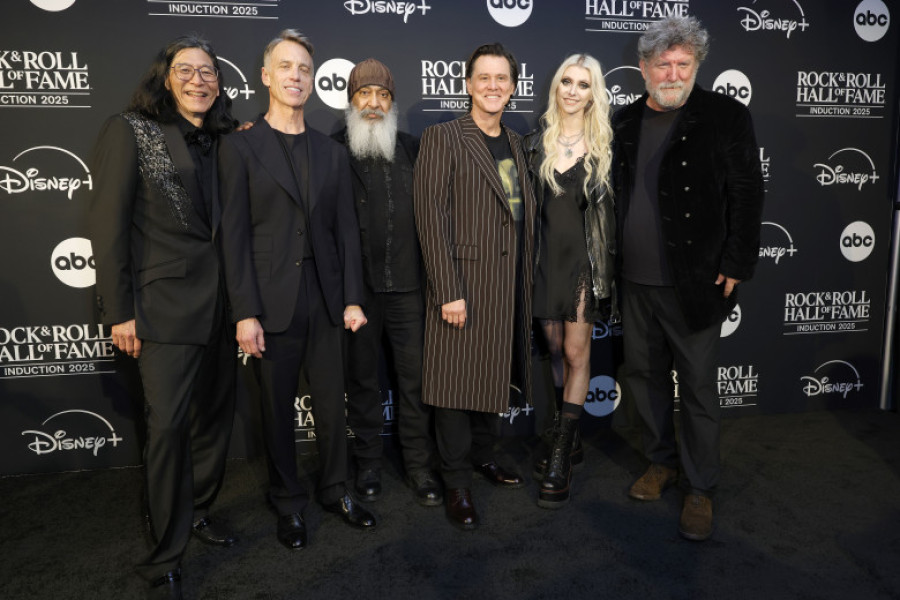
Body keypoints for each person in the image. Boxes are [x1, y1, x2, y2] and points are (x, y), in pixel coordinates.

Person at [88, 35, 238, 600]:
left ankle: (199, 511)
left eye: (208, 72)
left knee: (214, 423)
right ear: (164, 77)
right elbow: (107, 229)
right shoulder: (130, 131)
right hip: (162, 310)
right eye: (186, 70)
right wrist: (120, 312)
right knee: (170, 429)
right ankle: (164, 556)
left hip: (222, 309)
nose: (199, 79)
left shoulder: (226, 140)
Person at [217, 29, 375, 552]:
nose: (296, 76)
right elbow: (234, 237)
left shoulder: (331, 154)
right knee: (276, 409)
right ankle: (288, 502)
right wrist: (245, 312)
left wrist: (352, 297)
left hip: (326, 297)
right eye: (286, 67)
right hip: (269, 302)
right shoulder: (239, 147)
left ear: (313, 80)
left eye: (304, 69)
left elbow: (346, 230)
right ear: (266, 76)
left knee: (333, 404)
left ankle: (336, 489)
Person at [612, 15, 764, 541]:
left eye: (683, 63)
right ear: (643, 68)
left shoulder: (725, 116)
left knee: (697, 386)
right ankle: (660, 463)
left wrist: (738, 262)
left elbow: (747, 192)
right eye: (663, 63)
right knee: (644, 379)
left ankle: (699, 488)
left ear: (696, 65)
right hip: (633, 281)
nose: (673, 72)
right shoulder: (622, 121)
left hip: (696, 281)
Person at [414, 43, 536, 530]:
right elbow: (429, 217)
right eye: (483, 77)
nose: (492, 86)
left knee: (492, 375)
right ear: (467, 84)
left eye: (501, 78)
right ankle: (456, 482)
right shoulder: (443, 136)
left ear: (511, 85)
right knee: (452, 388)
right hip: (462, 284)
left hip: (509, 284)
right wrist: (448, 289)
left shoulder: (517, 140)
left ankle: (484, 457)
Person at [332, 59, 442, 507]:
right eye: (365, 94)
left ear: (392, 104)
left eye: (383, 96)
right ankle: (369, 464)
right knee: (362, 381)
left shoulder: (415, 149)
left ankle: (418, 466)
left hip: (410, 289)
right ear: (351, 101)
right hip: (357, 294)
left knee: (414, 382)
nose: (373, 103)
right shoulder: (332, 152)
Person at [524, 53, 616, 509]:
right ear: (556, 87)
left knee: (578, 352)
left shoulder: (605, 148)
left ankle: (561, 453)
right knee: (556, 350)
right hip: (544, 267)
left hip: (583, 267)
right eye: (566, 81)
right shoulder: (532, 145)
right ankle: (571, 433)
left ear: (592, 92)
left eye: (582, 84)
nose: (572, 91)